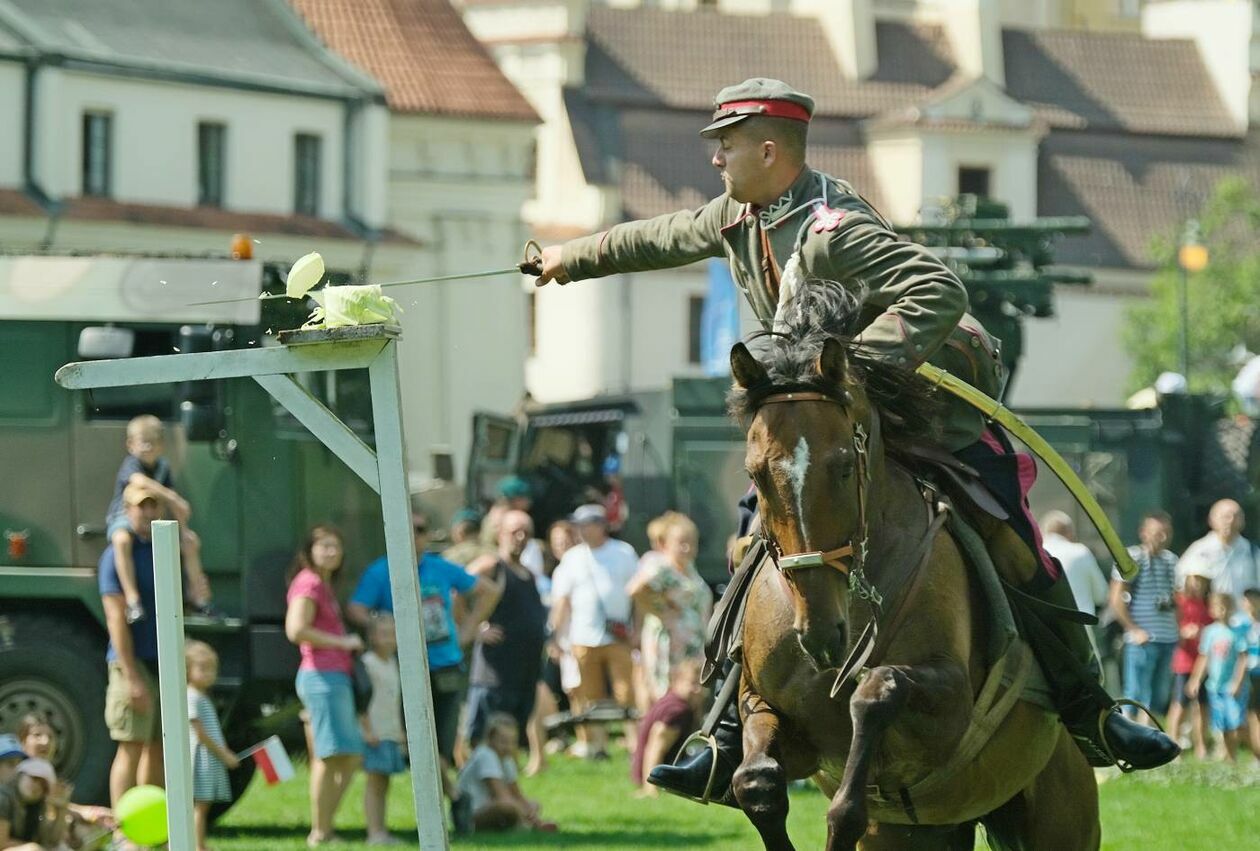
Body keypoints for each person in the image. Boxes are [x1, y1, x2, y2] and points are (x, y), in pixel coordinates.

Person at [346, 514, 496, 817]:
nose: (414, 536)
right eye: (407, 529)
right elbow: (356, 608)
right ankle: (454, 798)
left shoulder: (439, 567)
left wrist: (468, 630)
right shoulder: (380, 571)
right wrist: (384, 629)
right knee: (418, 745)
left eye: (420, 530)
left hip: (447, 665)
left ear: (427, 536)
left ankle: (451, 801)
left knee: (440, 744)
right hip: (407, 669)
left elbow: (488, 590)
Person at [284, 524, 363, 847]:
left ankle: (325, 827)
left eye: (336, 546)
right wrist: (343, 642)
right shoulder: (309, 582)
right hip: (321, 677)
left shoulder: (323, 584)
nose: (331, 551)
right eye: (324, 546)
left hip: (333, 678)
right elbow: (296, 630)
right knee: (327, 757)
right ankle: (320, 832)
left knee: (350, 755)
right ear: (310, 551)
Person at [548, 504, 639, 760]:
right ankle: (595, 747)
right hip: (582, 638)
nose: (580, 530)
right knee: (588, 696)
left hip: (618, 637)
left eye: (585, 524)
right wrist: (554, 635)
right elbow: (562, 602)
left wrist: (637, 630)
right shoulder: (573, 557)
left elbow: (636, 596)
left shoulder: (623, 553)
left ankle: (634, 745)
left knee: (627, 694)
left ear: (601, 525)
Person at [104, 414, 213, 624]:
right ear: (130, 445)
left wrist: (184, 530)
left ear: (162, 445)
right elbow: (140, 481)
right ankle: (133, 600)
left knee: (190, 543)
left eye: (152, 442)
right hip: (124, 519)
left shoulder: (163, 467)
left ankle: (200, 598)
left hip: (156, 522)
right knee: (121, 540)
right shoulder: (131, 465)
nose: (147, 447)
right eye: (142, 442)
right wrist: (171, 496)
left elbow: (174, 505)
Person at [99, 482, 165, 809]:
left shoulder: (162, 548)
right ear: (127, 511)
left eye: (153, 506)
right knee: (131, 746)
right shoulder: (115, 555)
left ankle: (152, 828)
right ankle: (124, 833)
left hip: (162, 660)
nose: (149, 512)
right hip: (131, 662)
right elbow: (116, 619)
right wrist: (132, 677)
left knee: (159, 746)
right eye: (142, 506)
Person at [465, 511, 549, 748]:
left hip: (523, 673)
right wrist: (474, 629)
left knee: (509, 740)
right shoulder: (492, 566)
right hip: (494, 674)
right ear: (500, 533)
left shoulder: (528, 573)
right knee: (483, 738)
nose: (521, 537)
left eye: (527, 533)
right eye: (515, 532)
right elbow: (456, 591)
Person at [628, 514, 713, 704]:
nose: (688, 547)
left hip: (691, 647)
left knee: (690, 698)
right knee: (668, 700)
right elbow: (635, 590)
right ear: (665, 543)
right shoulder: (661, 566)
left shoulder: (689, 567)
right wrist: (661, 612)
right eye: (681, 542)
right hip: (668, 647)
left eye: (692, 542)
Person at [1109, 511, 1180, 724]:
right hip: (1142, 638)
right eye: (1158, 532)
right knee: (1136, 693)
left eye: (1167, 532)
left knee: (1159, 695)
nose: (1163, 537)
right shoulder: (1132, 557)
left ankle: (1150, 738)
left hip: (1168, 637)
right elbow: (1115, 598)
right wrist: (1133, 629)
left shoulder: (1172, 560)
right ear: (1143, 533)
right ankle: (1132, 737)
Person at [13, 717, 114, 847]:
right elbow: (46, 808)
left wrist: (88, 812)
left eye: (50, 737)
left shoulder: (44, 769)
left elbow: (50, 803)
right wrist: (85, 813)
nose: (45, 741)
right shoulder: (27, 770)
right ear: (22, 741)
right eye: (37, 735)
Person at [455, 713, 556, 835]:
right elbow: (502, 795)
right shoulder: (485, 755)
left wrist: (529, 809)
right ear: (490, 739)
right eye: (503, 742)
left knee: (534, 804)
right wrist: (530, 816)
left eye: (512, 742)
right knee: (506, 806)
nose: (508, 747)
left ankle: (522, 824)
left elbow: (517, 793)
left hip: (489, 806)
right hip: (471, 813)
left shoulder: (506, 759)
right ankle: (528, 826)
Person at [184, 641, 237, 851]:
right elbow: (200, 733)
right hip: (202, 757)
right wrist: (224, 754)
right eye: (203, 669)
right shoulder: (192, 697)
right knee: (201, 806)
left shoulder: (202, 697)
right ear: (188, 669)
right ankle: (198, 846)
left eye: (212, 669)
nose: (209, 674)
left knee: (202, 806)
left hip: (209, 757)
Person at [1187, 593, 1250, 762]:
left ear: (1231, 609)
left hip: (1232, 688)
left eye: (1225, 606)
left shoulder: (1238, 632)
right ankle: (1230, 757)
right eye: (1217, 606)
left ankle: (1252, 753)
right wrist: (1195, 680)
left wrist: (1237, 682)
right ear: (1212, 609)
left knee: (1237, 723)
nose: (1221, 610)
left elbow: (1243, 659)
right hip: (1214, 687)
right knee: (1222, 724)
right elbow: (1204, 658)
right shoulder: (1210, 632)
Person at [358, 616, 404, 846]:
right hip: (375, 733)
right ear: (372, 637)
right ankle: (374, 832)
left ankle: (381, 831)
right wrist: (367, 730)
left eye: (393, 633)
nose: (389, 638)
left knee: (384, 783)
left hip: (390, 732)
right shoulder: (368, 663)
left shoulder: (394, 662)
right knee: (375, 783)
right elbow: (362, 700)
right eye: (383, 633)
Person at [632, 660, 703, 796]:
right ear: (677, 681)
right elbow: (655, 748)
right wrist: (650, 787)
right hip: (661, 775)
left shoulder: (670, 700)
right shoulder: (677, 711)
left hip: (651, 772)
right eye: (693, 683)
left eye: (701, 684)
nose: (698, 690)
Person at [1177, 499, 1260, 609]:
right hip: (1211, 622)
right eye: (1225, 516)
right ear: (1211, 520)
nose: (1230, 521)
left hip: (1246, 622)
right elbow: (1180, 585)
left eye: (1235, 516)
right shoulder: (1199, 551)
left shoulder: (1252, 552)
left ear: (1243, 521)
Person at [1165, 571, 1213, 759]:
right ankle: (1172, 744)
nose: (1196, 585)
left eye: (1200, 581)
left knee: (1202, 707)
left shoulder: (1209, 605)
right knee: (1179, 704)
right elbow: (1172, 626)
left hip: (1203, 663)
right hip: (1184, 662)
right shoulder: (1180, 602)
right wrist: (1183, 633)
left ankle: (1201, 747)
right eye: (1193, 581)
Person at [1040, 511, 1108, 618]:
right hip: (1081, 624)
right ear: (1070, 532)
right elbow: (1101, 595)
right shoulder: (1081, 552)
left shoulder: (1038, 552)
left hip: (1045, 624)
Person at [0, 758, 69, 850]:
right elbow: (1, 843)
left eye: (43, 785)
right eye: (34, 779)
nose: (37, 786)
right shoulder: (3, 797)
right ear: (20, 775)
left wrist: (62, 808)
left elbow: (52, 841)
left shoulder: (37, 805)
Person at [1240, 588, 1260, 758]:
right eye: (1247, 600)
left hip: (1257, 674)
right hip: (1247, 675)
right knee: (1251, 715)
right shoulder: (1240, 624)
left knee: (1254, 715)